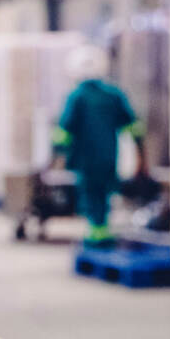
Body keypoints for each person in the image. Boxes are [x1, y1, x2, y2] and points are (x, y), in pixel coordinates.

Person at [54, 45, 147, 246]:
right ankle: (102, 230)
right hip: (110, 155)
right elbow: (133, 127)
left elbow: (64, 132)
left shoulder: (77, 97)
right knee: (105, 194)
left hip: (85, 158)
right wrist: (141, 155)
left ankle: (97, 235)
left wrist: (56, 156)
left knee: (90, 194)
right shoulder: (114, 94)